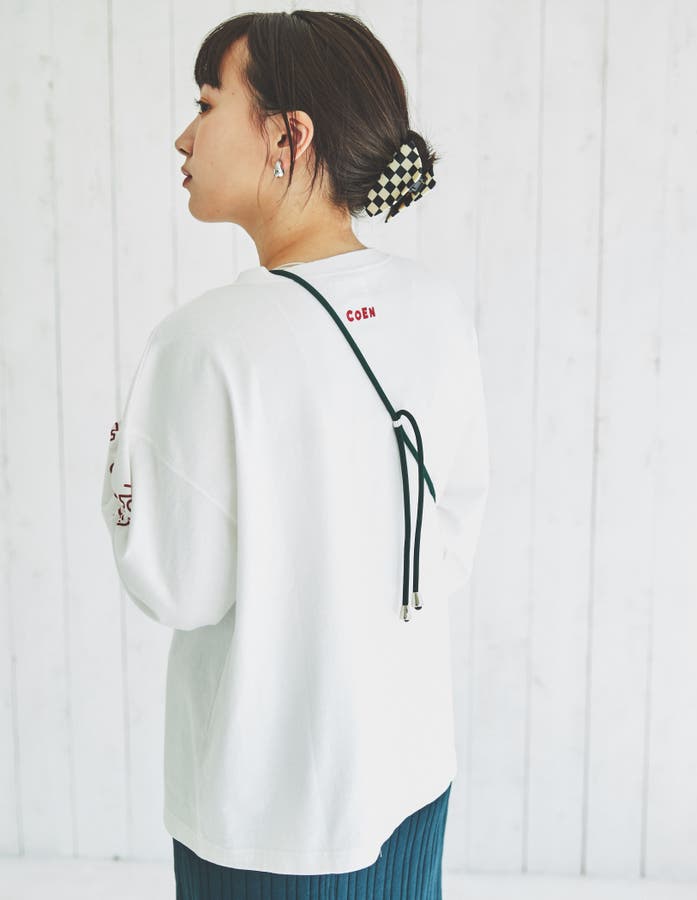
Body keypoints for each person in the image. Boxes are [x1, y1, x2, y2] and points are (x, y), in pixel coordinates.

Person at [101, 10, 490, 898]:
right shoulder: (434, 307)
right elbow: (447, 541)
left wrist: (123, 457)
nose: (184, 136)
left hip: (269, 812)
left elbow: (177, 584)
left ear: (289, 135)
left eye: (207, 104)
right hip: (409, 768)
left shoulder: (206, 342)